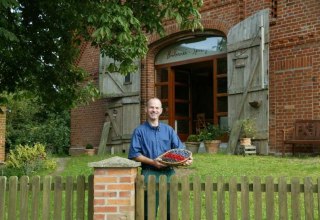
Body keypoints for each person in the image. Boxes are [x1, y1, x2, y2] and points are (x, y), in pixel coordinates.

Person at [128, 97, 192, 219]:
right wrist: (152, 162)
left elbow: (180, 150)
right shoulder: (139, 131)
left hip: (169, 173)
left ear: (161, 110)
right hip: (149, 173)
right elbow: (134, 154)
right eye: (151, 107)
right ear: (146, 109)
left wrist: (187, 159)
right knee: (148, 212)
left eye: (157, 108)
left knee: (171, 211)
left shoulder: (169, 130)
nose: (154, 110)